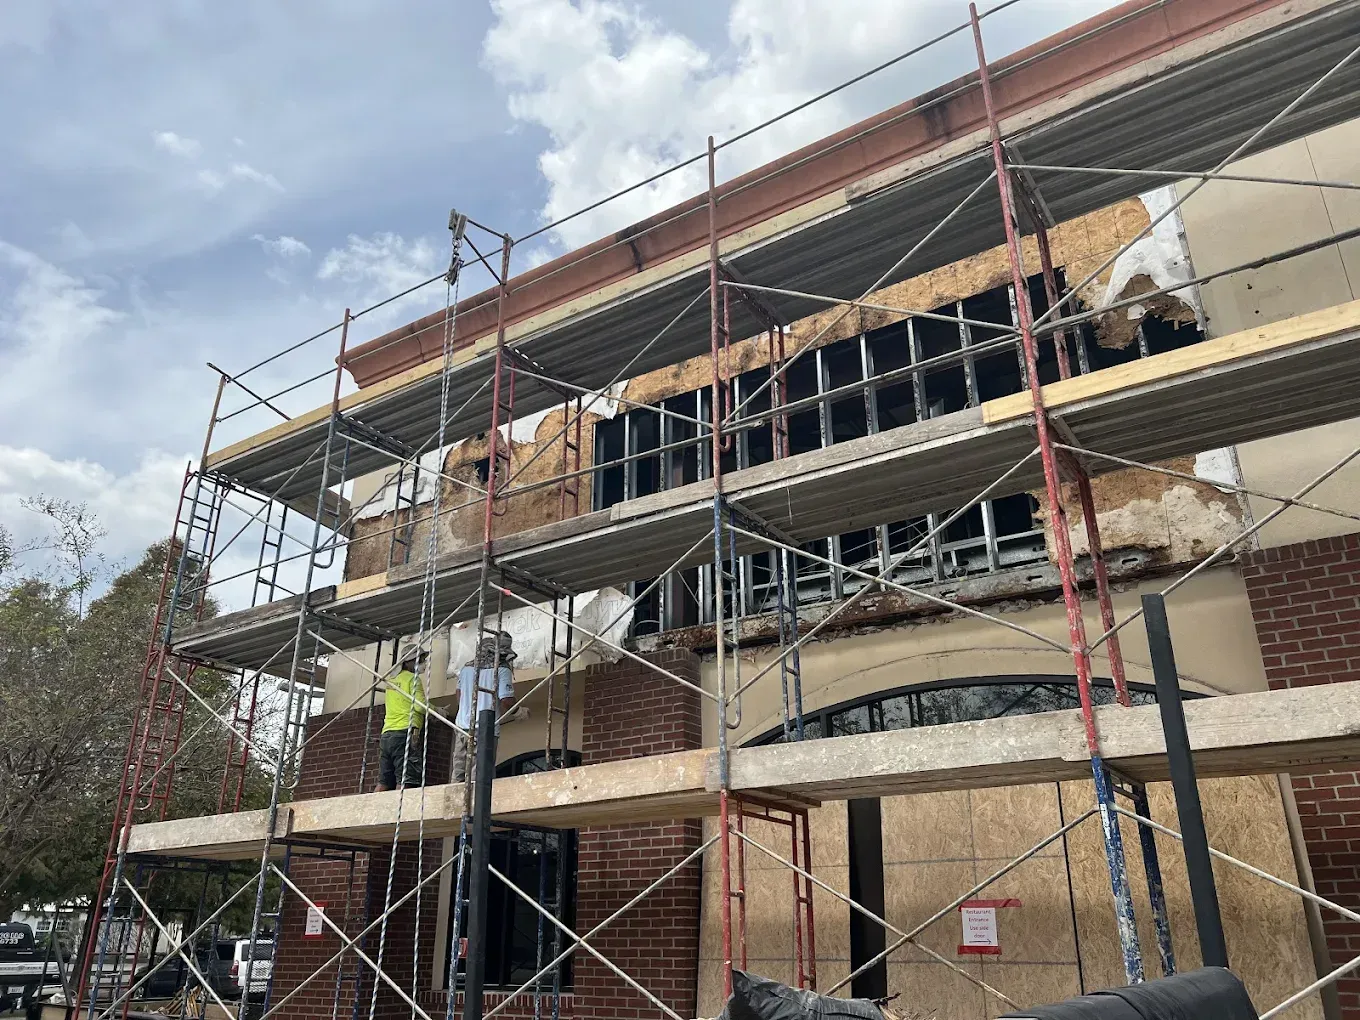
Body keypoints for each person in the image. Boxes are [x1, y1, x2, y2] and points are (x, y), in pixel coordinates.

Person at [451, 631, 519, 784]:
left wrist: (466, 711)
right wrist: (518, 711)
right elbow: (506, 700)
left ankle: (454, 805)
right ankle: (476, 806)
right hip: (484, 729)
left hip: (462, 726)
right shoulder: (501, 670)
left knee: (459, 771)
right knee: (480, 773)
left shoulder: (467, 668)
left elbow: (459, 696)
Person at [376, 641, 427, 792]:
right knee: (405, 779)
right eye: (421, 660)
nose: (423, 664)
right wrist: (437, 711)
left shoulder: (391, 681)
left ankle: (371, 811)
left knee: (384, 780)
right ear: (410, 662)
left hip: (387, 734)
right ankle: (402, 812)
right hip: (405, 731)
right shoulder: (413, 679)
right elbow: (420, 706)